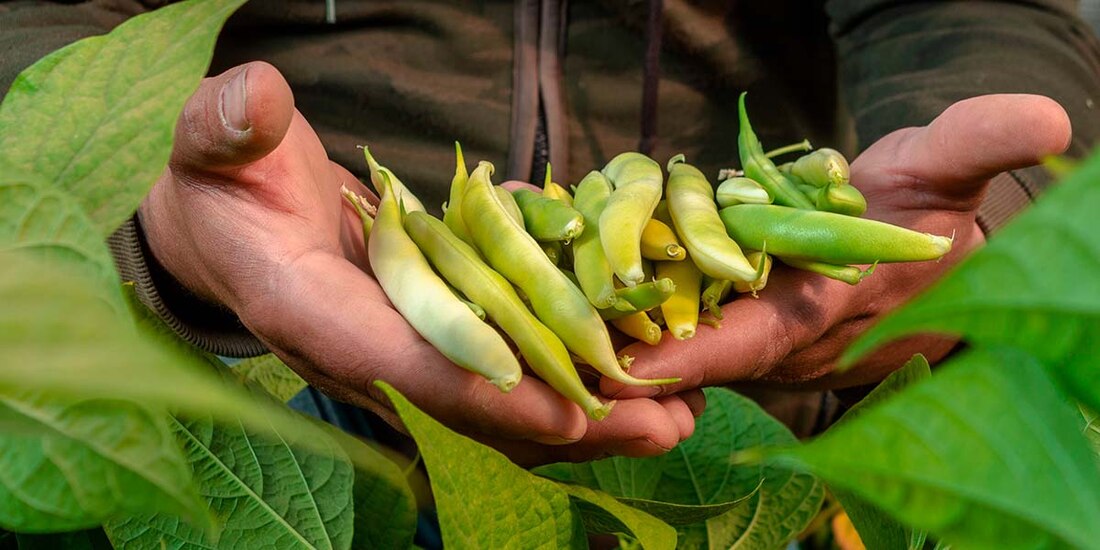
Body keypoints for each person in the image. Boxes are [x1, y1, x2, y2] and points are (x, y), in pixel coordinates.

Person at [4, 0, 1098, 465]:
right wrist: (143, 184)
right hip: (253, 403)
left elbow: (968, 15)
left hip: (774, 420)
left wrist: (988, 222)